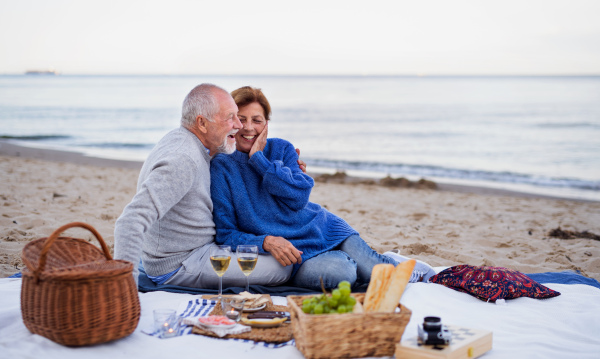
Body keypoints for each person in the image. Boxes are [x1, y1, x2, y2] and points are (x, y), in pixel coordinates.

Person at [210, 86, 436, 291]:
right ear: (232, 121)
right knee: (343, 273)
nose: (249, 128)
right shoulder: (222, 166)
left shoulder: (282, 148)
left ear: (267, 123)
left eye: (257, 120)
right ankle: (361, 260)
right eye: (241, 119)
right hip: (297, 256)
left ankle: (388, 261)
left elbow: (298, 198)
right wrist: (266, 241)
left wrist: (259, 160)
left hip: (323, 229)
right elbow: (226, 233)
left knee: (383, 272)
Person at [114, 83, 296, 288]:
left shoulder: (187, 141)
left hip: (195, 251)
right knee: (282, 268)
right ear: (202, 123)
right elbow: (130, 221)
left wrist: (284, 170)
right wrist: (125, 289)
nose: (239, 125)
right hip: (180, 263)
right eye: (231, 117)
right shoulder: (183, 159)